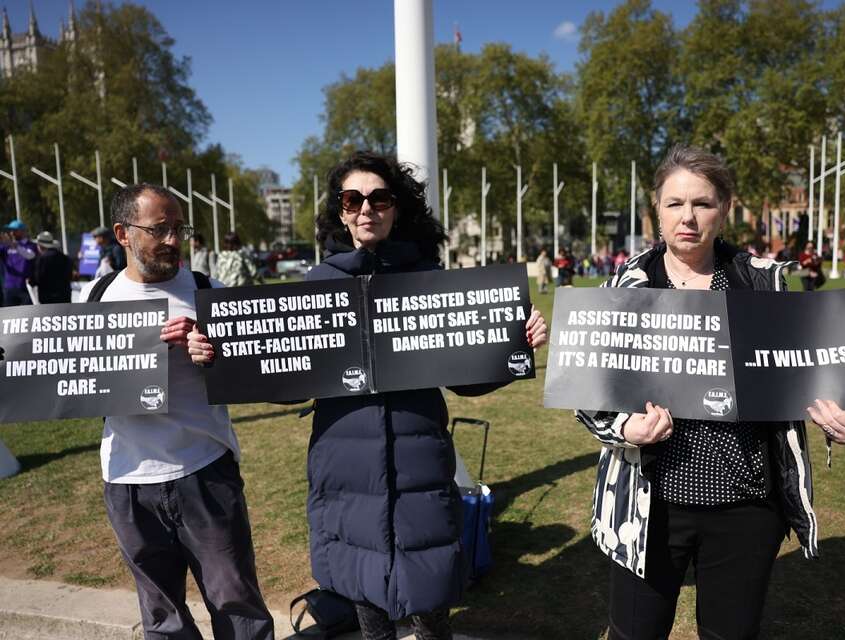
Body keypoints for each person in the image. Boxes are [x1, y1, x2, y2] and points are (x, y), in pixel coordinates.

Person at [190, 151, 547, 640]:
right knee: (364, 591)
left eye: (379, 198)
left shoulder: (428, 280)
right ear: (340, 210)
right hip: (345, 463)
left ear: (395, 207)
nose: (366, 208)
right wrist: (221, 354)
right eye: (352, 199)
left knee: (430, 584)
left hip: (419, 456)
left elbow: (465, 378)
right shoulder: (317, 283)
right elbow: (283, 372)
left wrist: (515, 345)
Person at [576, 145, 845, 640]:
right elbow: (590, 395)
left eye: (702, 203)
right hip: (647, 504)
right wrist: (626, 426)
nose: (687, 217)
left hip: (745, 506)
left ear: (726, 208)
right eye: (674, 204)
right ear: (657, 209)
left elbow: (818, 370)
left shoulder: (763, 285)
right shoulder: (626, 286)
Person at [79, 184, 274, 640]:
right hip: (128, 480)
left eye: (178, 228)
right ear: (123, 233)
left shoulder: (209, 291)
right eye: (158, 229)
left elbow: (255, 372)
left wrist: (215, 354)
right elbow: (70, 381)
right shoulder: (95, 297)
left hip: (204, 472)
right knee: (162, 617)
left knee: (237, 605)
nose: (172, 240)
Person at [1, 219, 38, 306]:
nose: (12, 233)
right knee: (8, 315)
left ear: (22, 231)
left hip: (25, 288)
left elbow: (30, 255)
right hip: (9, 287)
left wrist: (15, 245)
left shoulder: (31, 245)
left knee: (26, 315)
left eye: (15, 231)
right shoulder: (5, 247)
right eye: (11, 231)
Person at [30, 231, 73, 303]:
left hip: (48, 299)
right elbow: (70, 276)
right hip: (64, 297)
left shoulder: (42, 259)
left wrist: (31, 281)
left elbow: (38, 278)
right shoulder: (65, 258)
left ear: (40, 246)